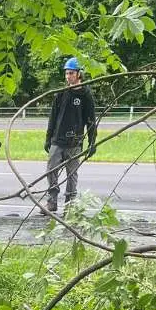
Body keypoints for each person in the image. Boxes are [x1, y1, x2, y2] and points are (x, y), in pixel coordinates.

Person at [42, 57, 97, 214]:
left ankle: (70, 205)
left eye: (71, 73)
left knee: (72, 174)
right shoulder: (61, 94)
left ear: (79, 74)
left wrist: (92, 142)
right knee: (51, 170)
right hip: (57, 140)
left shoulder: (86, 95)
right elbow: (53, 118)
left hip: (75, 142)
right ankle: (51, 202)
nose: (68, 76)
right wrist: (48, 138)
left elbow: (91, 120)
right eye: (66, 73)